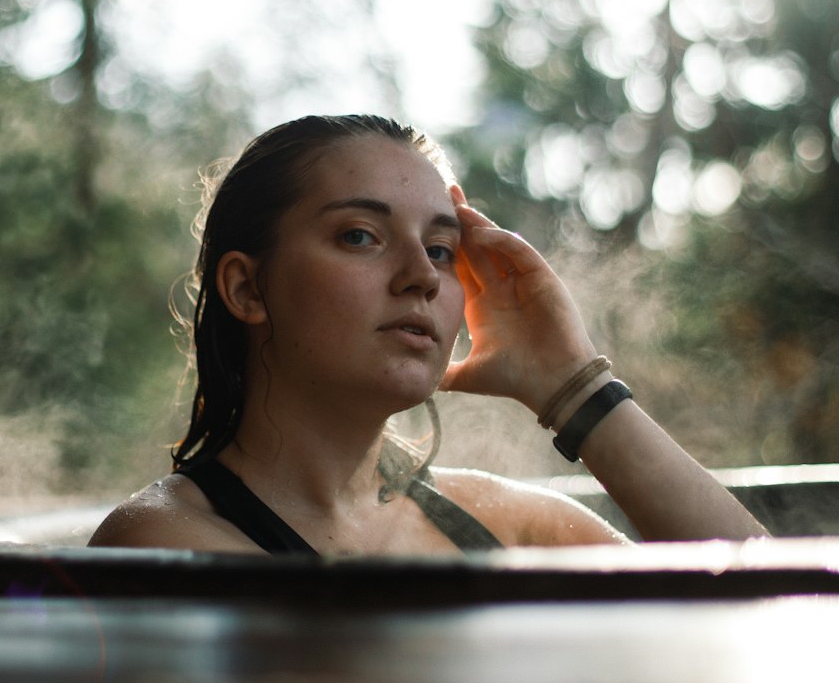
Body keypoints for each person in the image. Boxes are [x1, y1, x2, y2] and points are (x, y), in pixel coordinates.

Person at [90, 113, 765, 555]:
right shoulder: (168, 543)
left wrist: (574, 385)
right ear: (246, 288)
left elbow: (787, 619)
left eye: (442, 250)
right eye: (360, 236)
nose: (421, 276)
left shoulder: (500, 524)